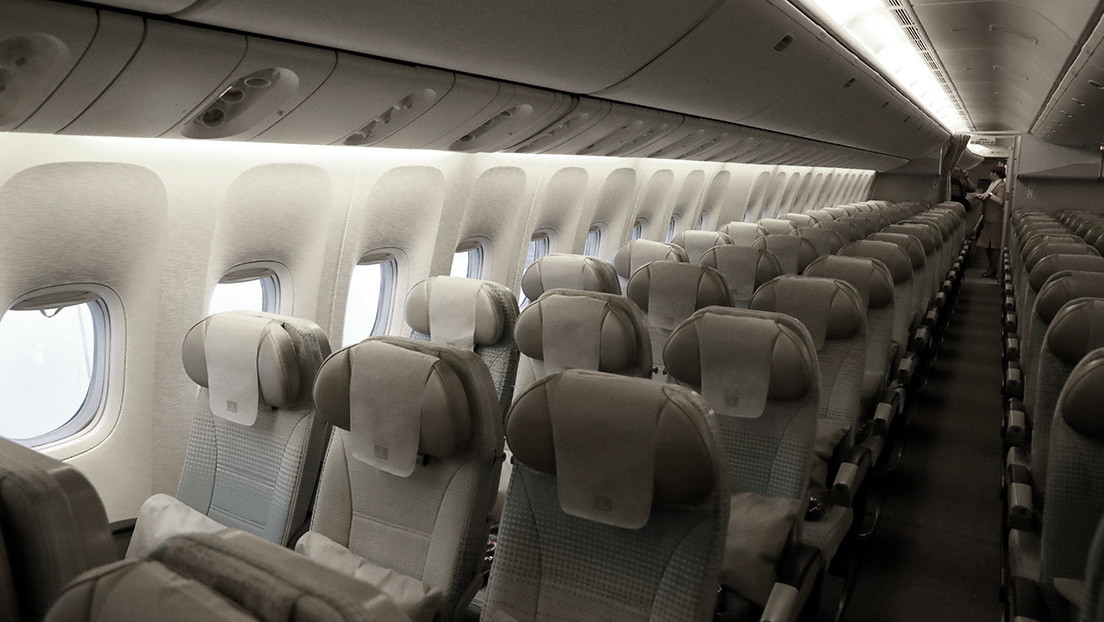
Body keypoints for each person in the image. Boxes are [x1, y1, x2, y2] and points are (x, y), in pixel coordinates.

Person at [973, 164, 1007, 278]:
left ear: (995, 174)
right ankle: (992, 267)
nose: (989, 175)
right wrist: (981, 197)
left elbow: (1001, 201)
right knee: (986, 244)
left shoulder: (1001, 185)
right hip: (989, 218)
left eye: (991, 173)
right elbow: (988, 197)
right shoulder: (993, 184)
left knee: (994, 245)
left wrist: (990, 195)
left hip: (996, 219)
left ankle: (993, 268)